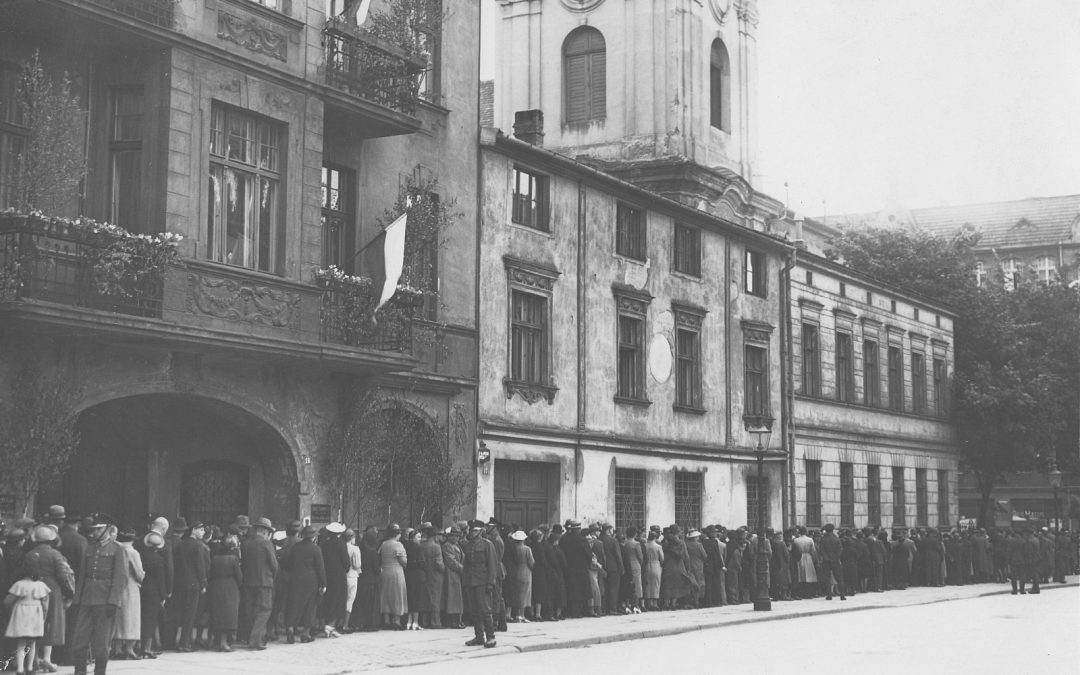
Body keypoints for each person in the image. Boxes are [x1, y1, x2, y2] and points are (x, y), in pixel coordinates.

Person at [70, 516, 127, 675]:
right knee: (79, 641)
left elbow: (120, 577)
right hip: (87, 599)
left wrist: (114, 601)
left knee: (101, 643)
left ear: (108, 529)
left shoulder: (117, 549)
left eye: (99, 529)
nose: (95, 532)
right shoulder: (89, 548)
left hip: (105, 600)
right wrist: (77, 599)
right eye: (94, 529)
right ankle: (80, 671)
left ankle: (100, 672)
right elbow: (82, 575)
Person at [21, 524, 74, 673]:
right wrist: (69, 593)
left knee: (35, 624)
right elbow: (64, 576)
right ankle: (47, 659)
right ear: (52, 539)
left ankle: (34, 659)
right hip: (52, 590)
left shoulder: (29, 554)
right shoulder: (56, 555)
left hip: (32, 590)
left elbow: (24, 571)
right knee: (51, 623)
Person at [282, 525, 325, 643]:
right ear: (313, 537)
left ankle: (290, 628)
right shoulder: (316, 549)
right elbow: (320, 568)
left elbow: (287, 563)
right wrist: (323, 583)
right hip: (311, 581)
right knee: (310, 607)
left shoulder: (295, 547)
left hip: (295, 580)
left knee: (294, 605)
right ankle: (305, 634)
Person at [240, 517, 277, 651]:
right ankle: (255, 640)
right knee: (265, 610)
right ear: (266, 531)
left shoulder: (245, 543)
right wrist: (272, 577)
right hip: (264, 582)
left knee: (251, 610)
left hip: (248, 581)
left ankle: (254, 636)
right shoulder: (267, 544)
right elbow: (274, 565)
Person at [4, 570, 51, 675]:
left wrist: (13, 611)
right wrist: (44, 616)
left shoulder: (19, 585)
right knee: (32, 642)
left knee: (21, 642)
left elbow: (7, 602)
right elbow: (45, 605)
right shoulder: (40, 585)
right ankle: (30, 668)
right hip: (35, 615)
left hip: (21, 614)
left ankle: (20, 669)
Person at [171, 521, 208, 652]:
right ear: (194, 530)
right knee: (190, 614)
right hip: (194, 585)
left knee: (180, 612)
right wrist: (203, 583)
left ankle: (175, 641)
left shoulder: (181, 545)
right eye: (201, 530)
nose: (203, 533)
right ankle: (184, 643)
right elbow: (200, 566)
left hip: (180, 583)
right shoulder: (198, 546)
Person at [461, 520, 497, 649]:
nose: (472, 533)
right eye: (471, 530)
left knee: (485, 610)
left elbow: (492, 565)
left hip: (482, 581)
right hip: (470, 581)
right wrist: (465, 581)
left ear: (481, 531)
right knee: (474, 610)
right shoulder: (469, 545)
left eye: (475, 530)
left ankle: (491, 636)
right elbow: (466, 565)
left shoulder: (487, 545)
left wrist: (491, 582)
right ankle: (479, 636)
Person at [111, 527, 145, 661]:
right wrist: (141, 577)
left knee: (119, 617)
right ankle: (129, 648)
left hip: (117, 586)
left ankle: (117, 648)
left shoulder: (115, 550)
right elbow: (139, 572)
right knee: (132, 617)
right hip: (131, 585)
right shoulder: (133, 552)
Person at [207, 536, 242, 652]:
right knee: (229, 616)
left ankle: (213, 640)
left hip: (216, 587)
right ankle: (224, 643)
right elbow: (239, 577)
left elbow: (210, 573)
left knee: (217, 614)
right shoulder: (233, 559)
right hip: (230, 588)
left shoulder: (215, 558)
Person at [137, 532, 167, 660]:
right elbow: (161, 579)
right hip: (154, 591)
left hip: (142, 589)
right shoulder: (159, 559)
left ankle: (140, 646)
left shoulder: (141, 555)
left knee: (142, 618)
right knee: (151, 619)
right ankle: (147, 648)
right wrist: (163, 595)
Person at [318, 523, 349, 637]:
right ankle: (330, 626)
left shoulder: (323, 544)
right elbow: (346, 563)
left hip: (326, 575)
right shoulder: (341, 544)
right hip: (339, 576)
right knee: (339, 600)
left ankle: (328, 626)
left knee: (328, 600)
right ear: (339, 533)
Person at [378, 524, 407, 630]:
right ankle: (396, 620)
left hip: (384, 571)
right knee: (397, 595)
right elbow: (403, 561)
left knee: (385, 595)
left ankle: (386, 620)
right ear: (397, 534)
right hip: (396, 571)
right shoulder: (398, 545)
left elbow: (379, 556)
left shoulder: (383, 544)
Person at [559, 521, 591, 618]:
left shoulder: (564, 539)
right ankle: (578, 612)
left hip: (568, 569)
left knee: (570, 590)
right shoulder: (582, 540)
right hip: (581, 569)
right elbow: (588, 554)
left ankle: (568, 611)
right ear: (578, 529)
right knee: (580, 591)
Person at [353, 526, 381, 632]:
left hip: (362, 579)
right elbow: (377, 569)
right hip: (373, 580)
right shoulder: (374, 552)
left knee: (362, 602)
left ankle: (361, 623)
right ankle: (372, 623)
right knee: (373, 603)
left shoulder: (360, 550)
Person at [507, 531, 534, 622]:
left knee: (517, 593)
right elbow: (531, 562)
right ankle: (521, 615)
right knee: (525, 593)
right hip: (525, 571)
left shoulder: (513, 548)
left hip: (516, 571)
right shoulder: (527, 549)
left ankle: (515, 614)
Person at [441, 528, 465, 628]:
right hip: (451, 574)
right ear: (450, 536)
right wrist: (464, 569)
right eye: (454, 535)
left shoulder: (457, 545)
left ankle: (457, 620)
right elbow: (451, 561)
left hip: (457, 574)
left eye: (458, 535)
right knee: (452, 598)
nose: (457, 537)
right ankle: (453, 621)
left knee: (456, 598)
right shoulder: (447, 546)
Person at [343, 528, 362, 633]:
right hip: (352, 576)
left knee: (342, 599)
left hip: (343, 576)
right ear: (352, 538)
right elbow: (357, 565)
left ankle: (338, 622)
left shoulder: (341, 547)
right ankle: (345, 625)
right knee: (350, 600)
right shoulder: (355, 549)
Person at [620, 527, 644, 613]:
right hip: (635, 564)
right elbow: (640, 557)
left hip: (626, 565)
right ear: (635, 534)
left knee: (627, 585)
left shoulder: (624, 543)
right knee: (637, 585)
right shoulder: (636, 544)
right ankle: (636, 604)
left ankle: (627, 604)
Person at [641, 530, 663, 611]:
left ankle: (649, 603)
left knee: (648, 584)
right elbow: (662, 558)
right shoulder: (658, 546)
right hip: (656, 565)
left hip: (647, 565)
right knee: (656, 584)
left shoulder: (645, 545)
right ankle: (655, 603)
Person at [684, 531, 707, 609]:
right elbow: (704, 555)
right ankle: (697, 601)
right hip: (699, 565)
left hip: (688, 565)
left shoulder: (686, 544)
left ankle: (690, 600)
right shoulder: (699, 545)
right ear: (695, 537)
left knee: (691, 583)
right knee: (699, 583)